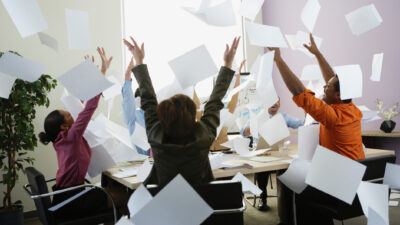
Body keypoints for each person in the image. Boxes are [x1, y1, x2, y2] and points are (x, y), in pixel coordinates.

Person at [269, 34, 364, 225]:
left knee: (294, 184)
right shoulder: (351, 109)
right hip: (353, 182)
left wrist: (278, 59)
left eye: (327, 87)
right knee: (297, 175)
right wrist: (317, 54)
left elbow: (298, 91)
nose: (324, 85)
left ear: (337, 95)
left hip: (337, 186)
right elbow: (333, 79)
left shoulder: (332, 116)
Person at [123, 36, 241, 187]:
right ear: (192, 117)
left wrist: (138, 61)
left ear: (163, 117)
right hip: (201, 206)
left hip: (164, 206)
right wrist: (228, 64)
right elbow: (214, 102)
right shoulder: (203, 136)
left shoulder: (156, 136)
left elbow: (148, 100)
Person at [39, 48, 128, 219]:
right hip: (73, 201)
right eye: (67, 114)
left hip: (67, 197)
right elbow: (88, 108)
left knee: (115, 191)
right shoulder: (72, 137)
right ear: (64, 126)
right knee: (126, 198)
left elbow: (79, 103)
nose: (71, 112)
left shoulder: (61, 139)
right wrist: (100, 74)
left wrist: (98, 72)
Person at [240, 99, 304, 211]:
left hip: (278, 153)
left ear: (279, 104)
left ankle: (288, 200)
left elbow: (301, 123)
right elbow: (243, 133)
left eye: (277, 101)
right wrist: (253, 126)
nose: (274, 103)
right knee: (262, 170)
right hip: (261, 153)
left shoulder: (284, 117)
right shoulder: (258, 116)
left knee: (293, 165)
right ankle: (262, 197)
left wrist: (308, 113)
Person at [193, 59, 246, 151]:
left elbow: (234, 97)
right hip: (208, 153)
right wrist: (192, 84)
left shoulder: (224, 115)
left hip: (225, 151)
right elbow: (195, 101)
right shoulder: (201, 116)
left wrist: (238, 76)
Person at [121, 57, 151, 156]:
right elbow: (128, 101)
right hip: (144, 161)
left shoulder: (158, 114)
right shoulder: (134, 117)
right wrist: (127, 79)